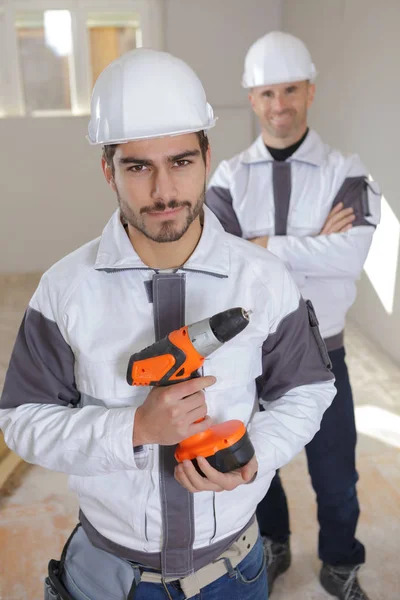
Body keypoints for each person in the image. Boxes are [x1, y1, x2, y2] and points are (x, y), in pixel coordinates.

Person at [0, 48, 336, 600]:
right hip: (110, 576)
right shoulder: (65, 290)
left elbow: (308, 391)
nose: (162, 192)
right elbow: (21, 421)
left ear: (207, 157)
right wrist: (134, 430)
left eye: (181, 162)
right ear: (108, 169)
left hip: (234, 570)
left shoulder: (264, 280)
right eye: (138, 167)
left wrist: (256, 456)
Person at [206, 31, 381, 600]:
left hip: (323, 350)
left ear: (310, 91)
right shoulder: (229, 177)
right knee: (258, 460)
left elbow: (353, 253)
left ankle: (340, 561)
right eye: (266, 94)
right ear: (251, 100)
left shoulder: (346, 170)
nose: (278, 105)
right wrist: (308, 244)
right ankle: (274, 543)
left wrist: (261, 244)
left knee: (336, 472)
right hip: (255, 350)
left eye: (289, 90)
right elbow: (219, 261)